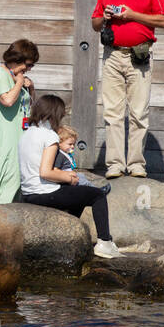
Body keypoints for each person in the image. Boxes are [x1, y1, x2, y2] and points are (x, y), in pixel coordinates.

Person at [93, 0, 164, 178]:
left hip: (139, 55)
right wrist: (104, 18)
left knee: (138, 112)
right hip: (112, 54)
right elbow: (94, 23)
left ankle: (136, 164)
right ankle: (115, 164)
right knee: (113, 112)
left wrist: (131, 15)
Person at [19, 94, 120, 259]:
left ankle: (68, 232)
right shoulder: (49, 136)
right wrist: (68, 178)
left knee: (78, 193)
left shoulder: (27, 133)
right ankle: (105, 242)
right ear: (55, 114)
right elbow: (45, 172)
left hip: (29, 193)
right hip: (44, 193)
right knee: (97, 195)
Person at [0, 38, 39, 203]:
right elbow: (7, 101)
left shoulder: (19, 77)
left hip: (21, 135)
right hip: (6, 137)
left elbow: (28, 105)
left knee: (18, 180)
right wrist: (18, 83)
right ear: (17, 60)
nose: (29, 69)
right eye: (28, 65)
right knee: (8, 178)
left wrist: (30, 88)